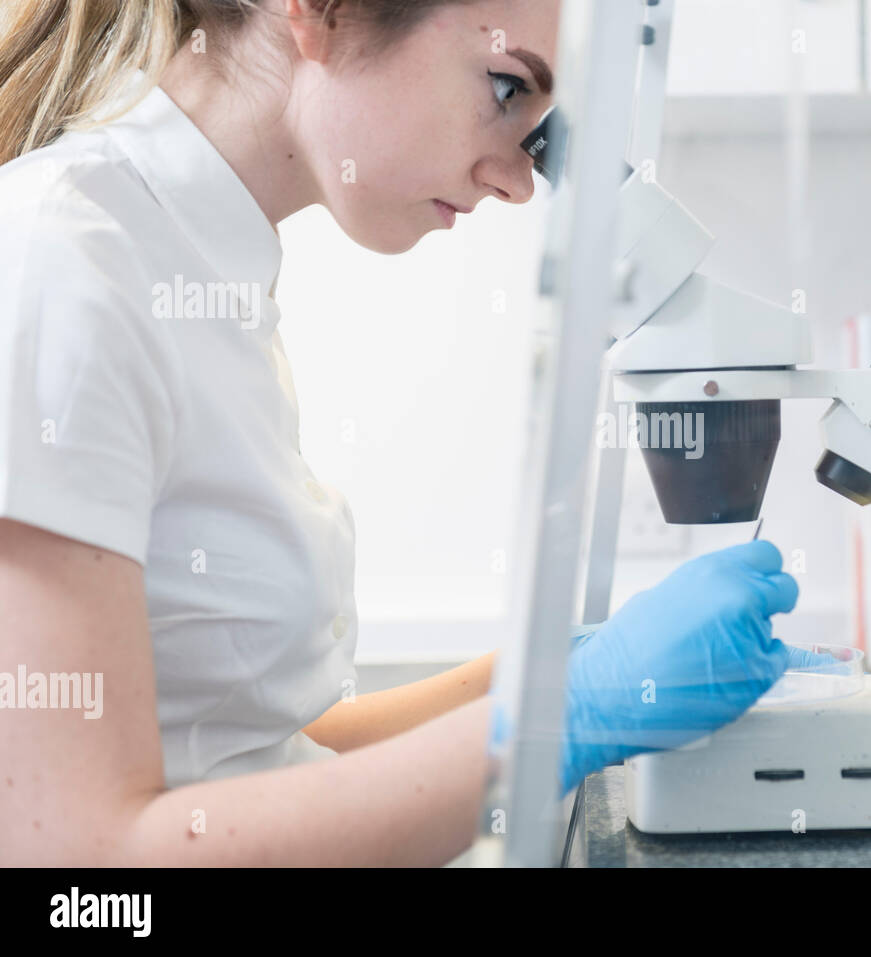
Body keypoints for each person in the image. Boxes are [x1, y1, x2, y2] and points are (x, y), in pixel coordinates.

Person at [0, 0, 800, 866]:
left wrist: (537, 675)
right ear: (322, 14)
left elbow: (256, 758)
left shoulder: (201, 267)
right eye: (504, 86)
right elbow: (77, 867)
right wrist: (564, 719)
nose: (520, 179)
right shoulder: (66, 260)